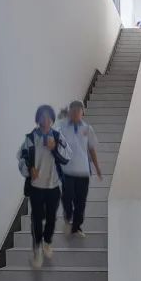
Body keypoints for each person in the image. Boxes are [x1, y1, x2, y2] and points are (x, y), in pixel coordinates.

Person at [17, 105, 71, 268]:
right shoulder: (30, 138)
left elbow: (68, 156)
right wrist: (29, 169)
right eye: (42, 116)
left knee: (51, 218)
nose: (45, 120)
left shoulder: (57, 136)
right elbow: (21, 157)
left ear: (52, 119)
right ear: (38, 119)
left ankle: (47, 242)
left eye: (48, 117)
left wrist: (55, 149)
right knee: (36, 219)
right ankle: (37, 249)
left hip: (53, 186)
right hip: (36, 187)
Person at [59, 100, 102, 238]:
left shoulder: (87, 129)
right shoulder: (62, 127)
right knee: (67, 197)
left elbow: (92, 149)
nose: (76, 113)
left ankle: (76, 227)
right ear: (70, 112)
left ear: (83, 112)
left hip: (83, 171)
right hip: (67, 171)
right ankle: (68, 217)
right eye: (73, 110)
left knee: (80, 201)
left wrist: (97, 168)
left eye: (79, 111)